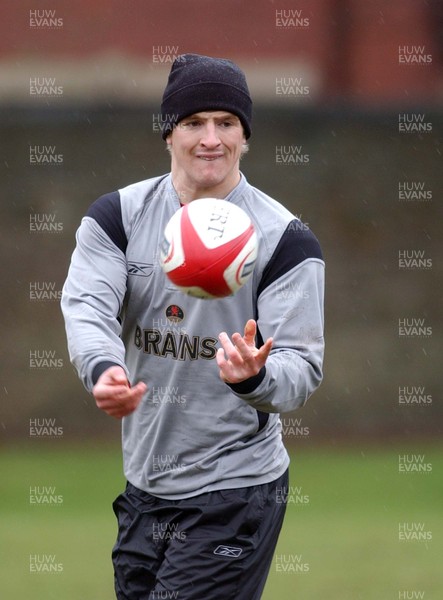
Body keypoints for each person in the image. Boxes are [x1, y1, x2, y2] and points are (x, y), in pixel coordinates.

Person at [61, 53, 325, 600]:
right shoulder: (118, 218)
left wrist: (256, 377)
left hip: (237, 488)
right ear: (168, 133)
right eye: (193, 122)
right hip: (146, 485)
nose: (211, 139)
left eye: (227, 123)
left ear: (245, 137)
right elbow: (87, 304)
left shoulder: (285, 240)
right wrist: (103, 368)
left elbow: (301, 365)